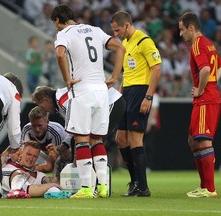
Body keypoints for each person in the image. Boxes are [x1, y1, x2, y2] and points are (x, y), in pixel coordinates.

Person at [50, 4, 125, 198]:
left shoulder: (64, 33)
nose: (56, 27)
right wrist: (115, 76)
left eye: (55, 24)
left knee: (82, 139)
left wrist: (67, 79)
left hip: (81, 90)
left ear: (58, 21)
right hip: (101, 90)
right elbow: (120, 47)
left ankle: (85, 189)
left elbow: (59, 53)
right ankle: (103, 187)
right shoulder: (95, 29)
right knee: (97, 139)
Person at [110, 11, 162, 197]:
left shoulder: (144, 41)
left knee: (135, 139)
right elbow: (127, 72)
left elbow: (156, 69)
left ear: (126, 25)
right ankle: (134, 182)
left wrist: (148, 97)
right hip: (127, 92)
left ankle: (143, 186)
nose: (116, 34)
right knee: (120, 139)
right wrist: (120, 92)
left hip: (141, 91)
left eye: (117, 30)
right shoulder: (125, 43)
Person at [178, 12, 221, 198]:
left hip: (205, 98)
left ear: (191, 27)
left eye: (182, 30)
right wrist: (212, 83)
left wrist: (200, 89)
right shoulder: (208, 44)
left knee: (203, 140)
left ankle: (210, 189)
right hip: (207, 96)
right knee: (193, 140)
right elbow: (219, 66)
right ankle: (204, 186)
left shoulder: (197, 44)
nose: (180, 34)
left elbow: (205, 69)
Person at [2, 140, 71, 199]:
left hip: (23, 190)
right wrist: (8, 150)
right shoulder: (8, 162)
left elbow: (54, 181)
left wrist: (56, 160)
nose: (31, 158)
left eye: (35, 156)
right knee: (21, 174)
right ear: (21, 152)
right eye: (28, 154)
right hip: (4, 185)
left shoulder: (37, 175)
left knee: (54, 189)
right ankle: (16, 190)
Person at [21, 106, 71, 175]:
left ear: (47, 122)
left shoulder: (56, 133)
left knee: (63, 159)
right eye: (34, 126)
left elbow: (49, 167)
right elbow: (23, 155)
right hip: (44, 154)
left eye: (40, 125)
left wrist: (29, 168)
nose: (37, 129)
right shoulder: (27, 129)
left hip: (65, 154)